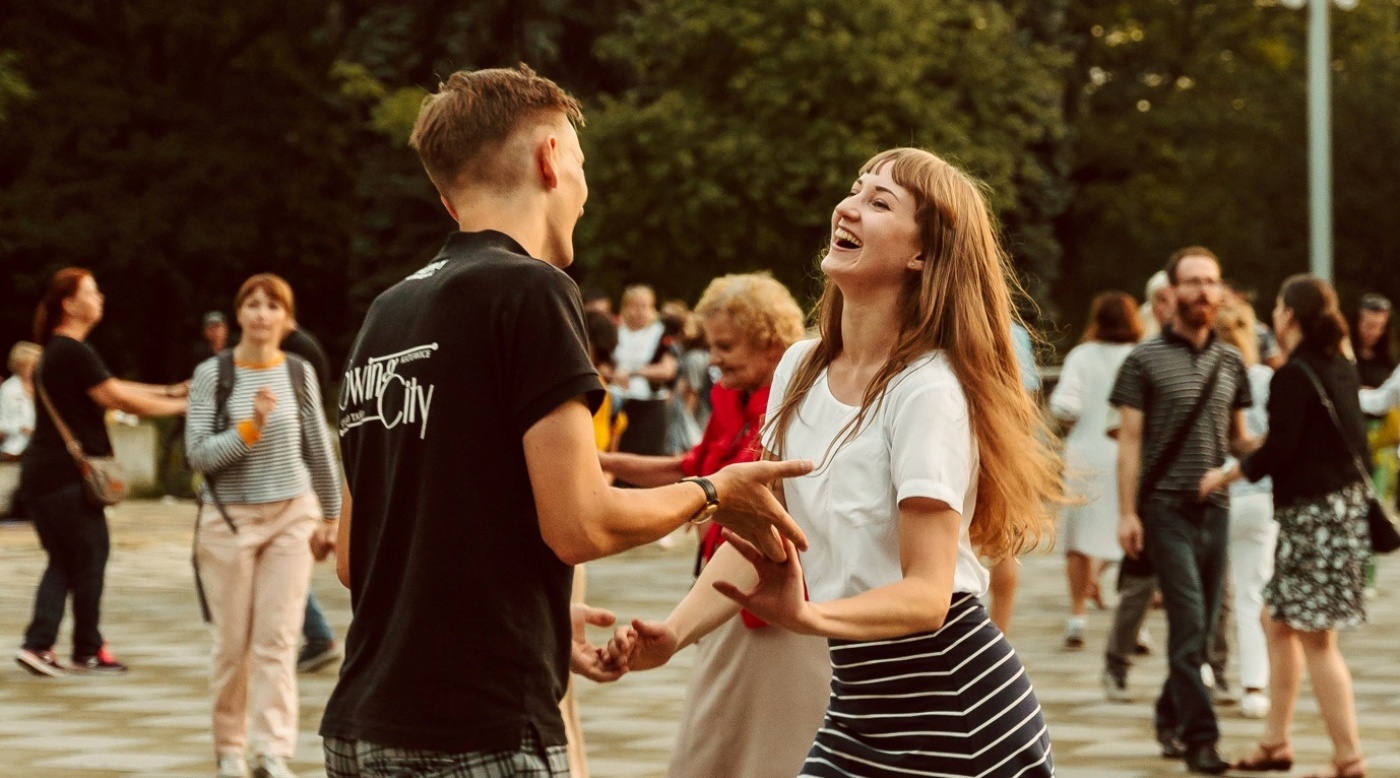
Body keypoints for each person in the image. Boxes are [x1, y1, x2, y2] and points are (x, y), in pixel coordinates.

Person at [318, 65, 811, 777]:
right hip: (481, 729)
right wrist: (714, 491)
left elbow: (353, 557)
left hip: (362, 724)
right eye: (581, 164)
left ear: (443, 192)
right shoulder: (531, 290)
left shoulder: (386, 312)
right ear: (551, 158)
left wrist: (535, 625)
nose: (583, 191)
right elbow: (580, 525)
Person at [610, 147, 1062, 778]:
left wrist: (810, 617)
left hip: (954, 715)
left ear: (923, 254)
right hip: (858, 712)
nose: (848, 206)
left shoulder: (927, 390)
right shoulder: (799, 367)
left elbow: (929, 596)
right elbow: (761, 532)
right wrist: (674, 634)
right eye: (855, 189)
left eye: (880, 202)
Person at [600, 273, 829, 778]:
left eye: (726, 346)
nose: (714, 359)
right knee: (713, 741)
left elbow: (734, 498)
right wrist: (596, 464)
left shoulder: (801, 401)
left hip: (778, 598)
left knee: (769, 746)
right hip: (723, 583)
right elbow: (697, 471)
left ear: (772, 344)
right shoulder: (731, 397)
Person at [1200, 275, 1369, 778]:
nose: (1274, 314)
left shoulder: (1292, 375)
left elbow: (1280, 450)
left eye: (1278, 306)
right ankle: (1275, 742)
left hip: (1314, 517)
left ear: (1289, 316)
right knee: (1279, 622)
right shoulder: (1339, 366)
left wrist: (1225, 473)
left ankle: (1349, 758)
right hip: (1338, 515)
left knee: (1317, 639)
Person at [185, 274, 342, 778]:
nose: (260, 313)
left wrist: (334, 516)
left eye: (271, 305)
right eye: (251, 304)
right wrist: (248, 429)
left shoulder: (298, 372)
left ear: (285, 318)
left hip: (291, 516)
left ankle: (272, 751)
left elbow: (319, 449)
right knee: (233, 644)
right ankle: (230, 748)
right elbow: (199, 455)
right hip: (228, 520)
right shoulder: (213, 375)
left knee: (277, 639)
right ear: (238, 316)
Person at [1112, 246, 1254, 774]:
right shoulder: (1143, 359)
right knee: (1191, 621)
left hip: (1216, 509)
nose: (1203, 291)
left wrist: (1283, 444)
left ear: (1220, 293)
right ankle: (1201, 739)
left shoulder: (1232, 361)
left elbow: (1238, 442)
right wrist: (1127, 514)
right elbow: (1129, 441)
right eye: (1193, 282)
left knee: (1206, 625)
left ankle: (1169, 714)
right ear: (1171, 294)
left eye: (1211, 282)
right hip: (1163, 510)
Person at [15, 268, 188, 677]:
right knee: (90, 557)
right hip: (66, 479)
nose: (100, 299)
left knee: (64, 560)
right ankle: (86, 651)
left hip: (42, 478)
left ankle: (39, 645)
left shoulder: (55, 353)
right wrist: (185, 405)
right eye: (91, 292)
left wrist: (170, 390)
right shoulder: (72, 351)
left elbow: (113, 386)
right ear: (69, 304)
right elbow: (118, 399)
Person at [1049, 291, 1141, 650]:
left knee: (1077, 539)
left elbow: (1065, 404)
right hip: (1127, 454)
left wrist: (1069, 420)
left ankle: (1077, 615)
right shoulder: (1140, 355)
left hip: (1084, 455)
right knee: (1131, 537)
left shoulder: (1082, 356)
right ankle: (1134, 623)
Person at [1211, 298, 1277, 720]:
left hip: (1212, 493)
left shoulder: (1206, 372)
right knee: (1253, 596)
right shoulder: (1267, 378)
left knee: (1209, 594)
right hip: (1259, 494)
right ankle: (1255, 687)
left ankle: (1204, 672)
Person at [611, 284, 679, 457]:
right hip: (617, 401)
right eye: (635, 306)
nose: (640, 311)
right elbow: (599, 364)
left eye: (645, 306)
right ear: (625, 307)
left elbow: (667, 370)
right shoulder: (613, 331)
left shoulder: (661, 335)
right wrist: (614, 375)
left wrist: (632, 372)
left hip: (650, 405)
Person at [1, 342, 42, 462]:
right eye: (33, 366)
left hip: (44, 449)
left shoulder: (45, 386)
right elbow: (3, 422)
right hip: (16, 451)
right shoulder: (9, 389)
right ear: (20, 366)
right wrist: (24, 428)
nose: (37, 369)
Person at [1350, 293, 1394, 390]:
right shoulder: (1344, 354)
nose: (1374, 332)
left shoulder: (1388, 359)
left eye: (1380, 327)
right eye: (1369, 326)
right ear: (1358, 322)